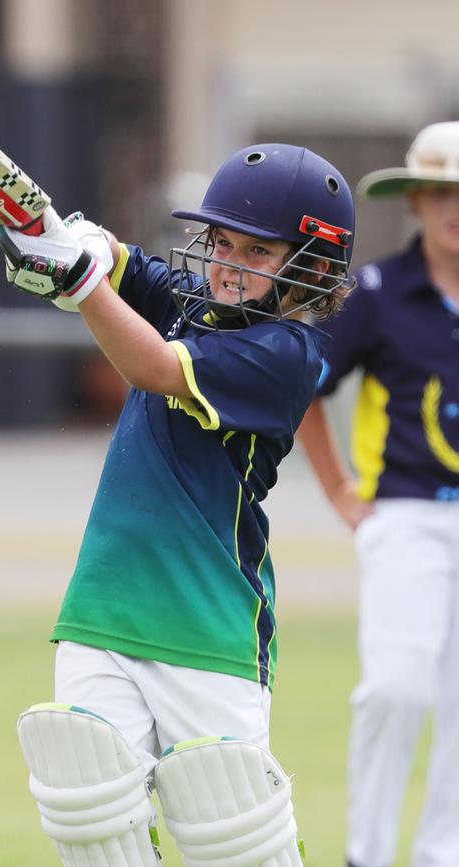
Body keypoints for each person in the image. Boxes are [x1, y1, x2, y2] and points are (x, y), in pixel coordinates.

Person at [0, 143, 355, 866]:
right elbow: (128, 270)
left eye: (257, 249)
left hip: (208, 628)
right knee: (87, 807)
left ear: (312, 267)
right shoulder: (198, 305)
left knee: (232, 834)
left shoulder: (287, 355)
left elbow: (151, 364)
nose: (226, 262)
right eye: (221, 240)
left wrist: (81, 278)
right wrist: (72, 242)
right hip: (104, 605)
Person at [298, 121, 459, 867]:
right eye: (440, 192)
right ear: (417, 201)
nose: (453, 207)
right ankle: (367, 854)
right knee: (397, 688)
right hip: (403, 513)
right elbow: (301, 384)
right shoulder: (376, 292)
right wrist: (339, 491)